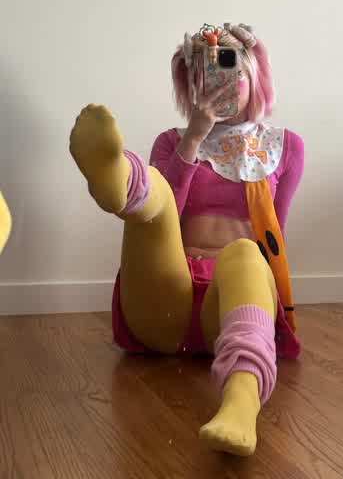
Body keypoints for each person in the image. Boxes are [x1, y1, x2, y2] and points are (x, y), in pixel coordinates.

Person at [69, 23, 304, 456]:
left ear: (252, 73)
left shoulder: (284, 147)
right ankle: (118, 180)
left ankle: (241, 404)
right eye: (204, 74)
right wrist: (193, 138)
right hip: (166, 303)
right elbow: (167, 218)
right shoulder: (171, 142)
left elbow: (277, 239)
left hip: (231, 306)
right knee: (156, 202)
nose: (218, 82)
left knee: (246, 253)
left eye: (229, 67)